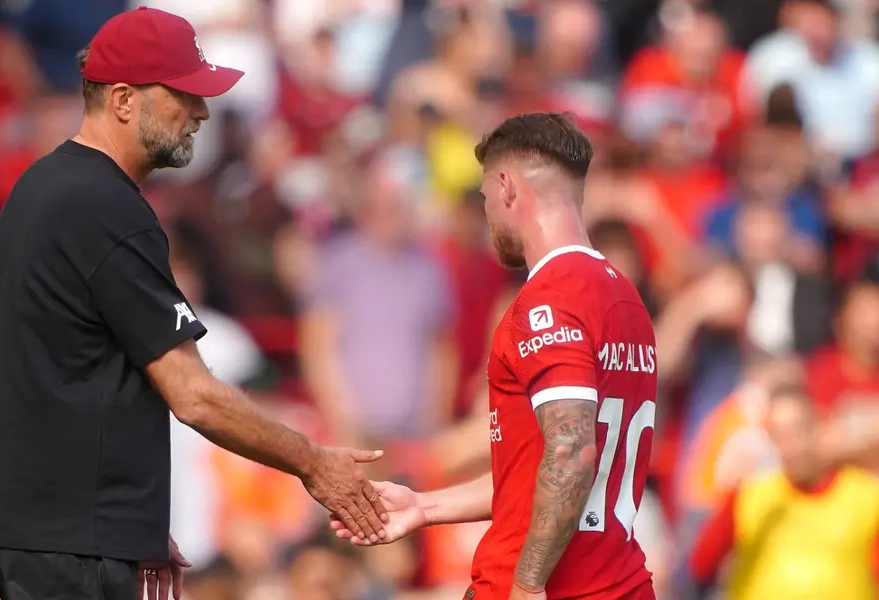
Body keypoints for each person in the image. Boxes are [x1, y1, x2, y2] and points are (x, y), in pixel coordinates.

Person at [0, 8, 388, 600]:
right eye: (184, 95)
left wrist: (131, 527)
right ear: (122, 99)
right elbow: (192, 394)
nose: (202, 113)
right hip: (72, 534)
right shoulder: (103, 205)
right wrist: (315, 464)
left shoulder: (48, 185)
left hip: (58, 524)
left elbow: (77, 368)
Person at [331, 113, 658, 600]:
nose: (487, 217)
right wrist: (425, 506)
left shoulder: (547, 302)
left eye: (485, 199)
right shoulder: (627, 302)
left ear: (506, 187)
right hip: (623, 585)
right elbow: (536, 473)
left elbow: (571, 452)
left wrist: (526, 586)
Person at [689, 383, 879, 600]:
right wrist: (730, 494)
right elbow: (701, 565)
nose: (793, 446)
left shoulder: (867, 497)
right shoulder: (751, 495)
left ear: (819, 427)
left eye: (799, 430)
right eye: (780, 435)